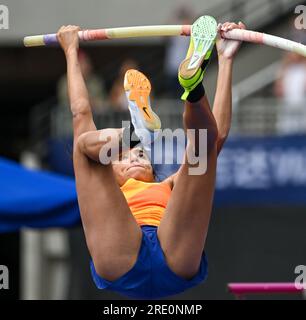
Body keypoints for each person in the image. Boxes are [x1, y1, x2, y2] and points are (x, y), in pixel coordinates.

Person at [56, 16, 246, 299]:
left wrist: (71, 52)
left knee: (204, 149)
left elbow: (217, 137)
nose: (134, 159)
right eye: (127, 155)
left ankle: (187, 87)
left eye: (140, 153)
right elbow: (80, 112)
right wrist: (71, 50)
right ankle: (180, 102)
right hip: (161, 256)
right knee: (84, 147)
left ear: (152, 169)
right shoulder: (108, 190)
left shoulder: (168, 185)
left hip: (135, 256)